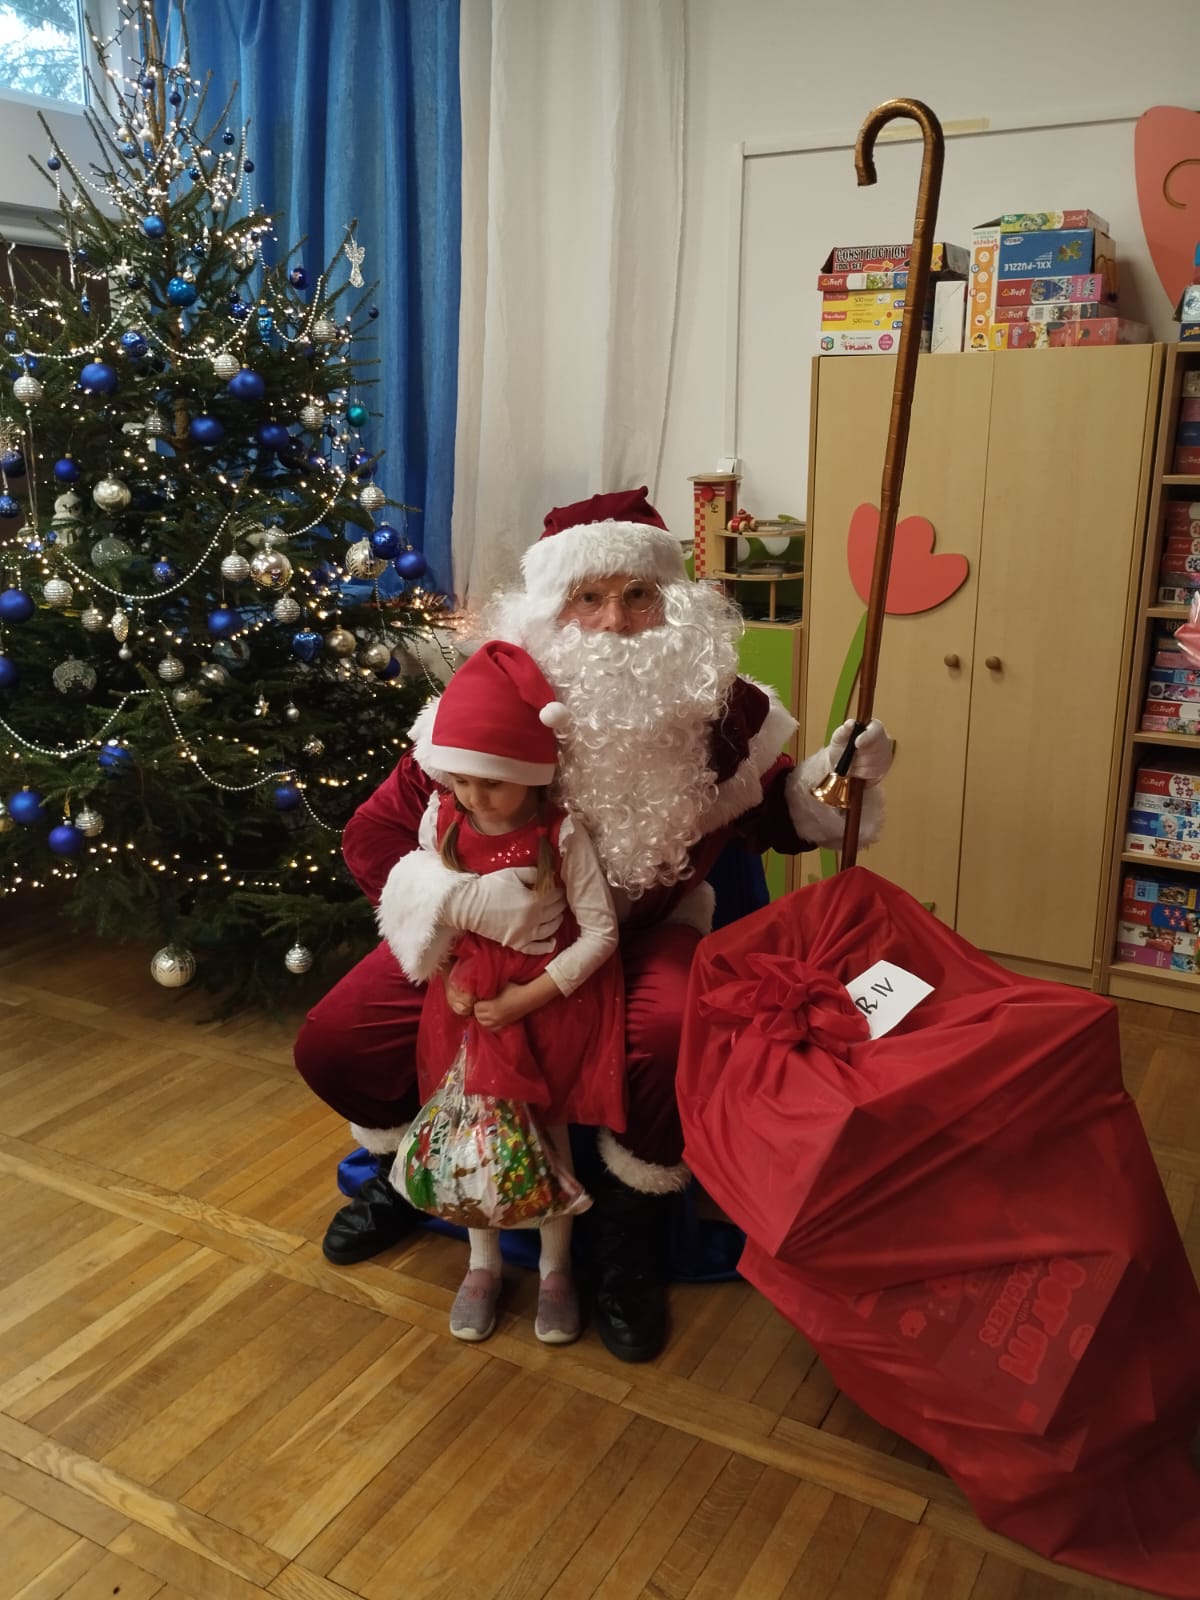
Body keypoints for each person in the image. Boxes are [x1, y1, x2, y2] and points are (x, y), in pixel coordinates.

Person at [295, 485, 893, 1363]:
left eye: (638, 594)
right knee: (338, 1040)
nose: (614, 623)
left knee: (674, 1027)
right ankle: (403, 1178)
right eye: (588, 596)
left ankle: (625, 1242)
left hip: (645, 929)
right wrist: (458, 909)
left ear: (673, 603)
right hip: (482, 944)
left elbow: (779, 815)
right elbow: (375, 835)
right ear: (550, 607)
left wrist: (839, 781)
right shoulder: (489, 694)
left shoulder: (724, 713)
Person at [397, 639, 624, 1346]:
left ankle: (556, 1271)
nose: (474, 797)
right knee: (470, 1133)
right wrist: (449, 979)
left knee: (543, 1139)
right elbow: (429, 915)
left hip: (543, 1013)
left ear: (530, 773)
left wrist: (527, 999)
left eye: (492, 783)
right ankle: (483, 1264)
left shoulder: (562, 834)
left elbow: (601, 933)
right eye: (462, 780)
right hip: (464, 1018)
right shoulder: (442, 820)